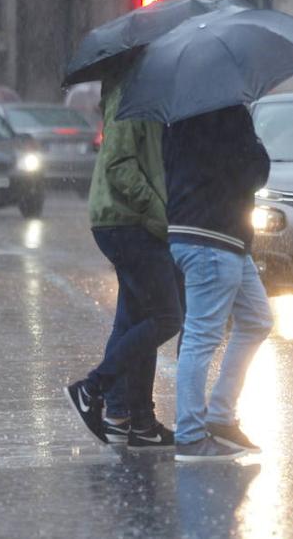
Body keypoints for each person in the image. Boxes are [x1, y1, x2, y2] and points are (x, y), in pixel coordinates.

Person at [67, 76, 183, 447]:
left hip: (131, 221)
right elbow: (119, 165)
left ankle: (129, 418)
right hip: (126, 220)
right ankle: (93, 387)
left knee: (137, 318)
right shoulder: (130, 92)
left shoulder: (147, 91)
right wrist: (158, 210)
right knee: (167, 316)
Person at [165, 104, 273, 462]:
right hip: (213, 236)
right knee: (201, 335)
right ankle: (191, 436)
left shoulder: (178, 113)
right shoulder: (228, 112)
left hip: (208, 235)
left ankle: (220, 417)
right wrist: (256, 144)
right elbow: (253, 173)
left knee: (257, 319)